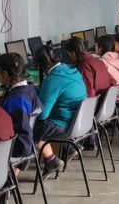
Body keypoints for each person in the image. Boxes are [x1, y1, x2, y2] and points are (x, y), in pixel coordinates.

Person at [32, 45, 87, 177]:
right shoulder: (71, 70)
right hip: (78, 120)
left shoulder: (53, 79)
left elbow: (42, 115)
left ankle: (51, 160)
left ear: (41, 65)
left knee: (29, 127)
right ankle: (68, 149)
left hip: (64, 124)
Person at [0, 53, 43, 164]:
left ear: (5, 74)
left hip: (18, 148)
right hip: (29, 142)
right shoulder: (29, 90)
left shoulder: (17, 100)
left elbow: (20, 131)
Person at [96, 35, 119, 102]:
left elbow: (100, 85)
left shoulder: (102, 62)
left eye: (96, 46)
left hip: (113, 99)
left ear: (100, 48)